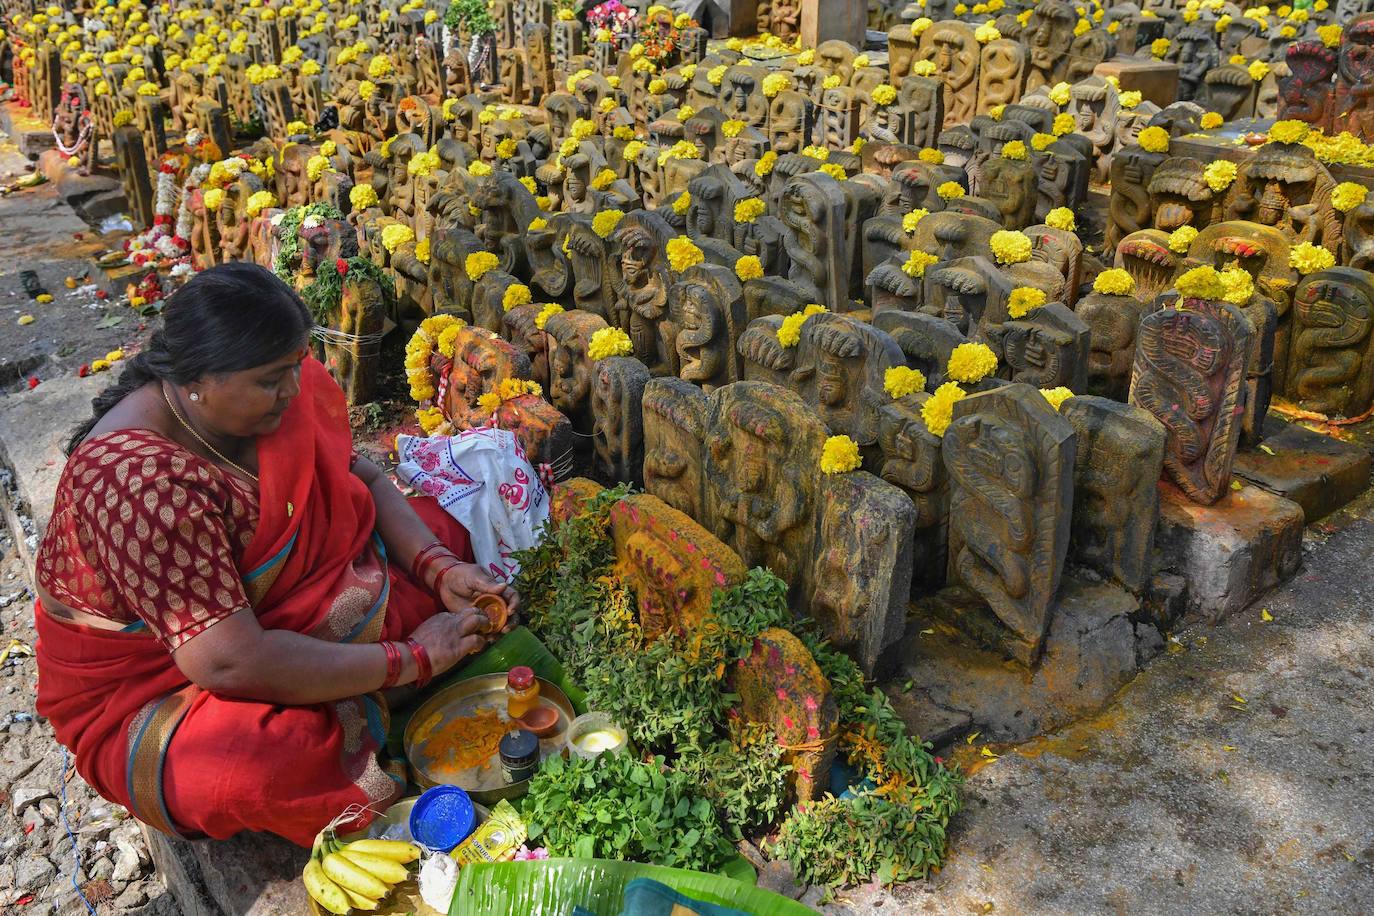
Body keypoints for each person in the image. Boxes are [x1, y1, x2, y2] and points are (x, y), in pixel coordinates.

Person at [33, 263, 519, 847]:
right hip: (166, 682)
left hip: (279, 609)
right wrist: (414, 658)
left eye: (295, 366)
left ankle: (371, 679)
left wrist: (436, 566)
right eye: (273, 379)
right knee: (259, 763)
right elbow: (230, 664)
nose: (295, 390)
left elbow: (357, 475)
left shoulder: (267, 389)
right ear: (198, 381)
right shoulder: (138, 485)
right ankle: (381, 692)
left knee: (446, 533)